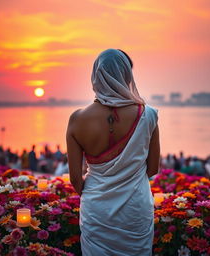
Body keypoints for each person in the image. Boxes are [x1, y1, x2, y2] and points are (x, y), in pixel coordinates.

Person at [66, 49, 160, 256]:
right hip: (135, 209)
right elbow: (153, 168)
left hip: (96, 209)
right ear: (127, 76)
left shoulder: (77, 119)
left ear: (95, 77)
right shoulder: (148, 114)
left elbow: (75, 178)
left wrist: (96, 194)